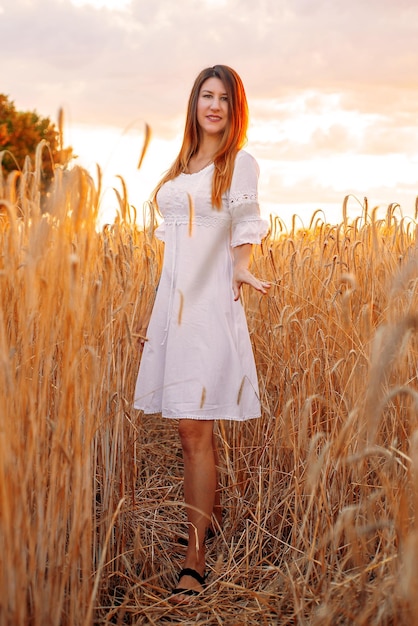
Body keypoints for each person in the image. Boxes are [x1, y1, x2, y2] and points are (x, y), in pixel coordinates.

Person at [134, 64, 270, 603]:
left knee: (195, 431)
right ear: (195, 103)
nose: (214, 106)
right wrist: (156, 316)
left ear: (236, 110)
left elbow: (246, 222)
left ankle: (195, 558)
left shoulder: (239, 163)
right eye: (206, 96)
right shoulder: (181, 163)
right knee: (187, 428)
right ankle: (205, 519)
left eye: (225, 99)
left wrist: (240, 265)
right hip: (174, 305)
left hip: (211, 305)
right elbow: (174, 245)